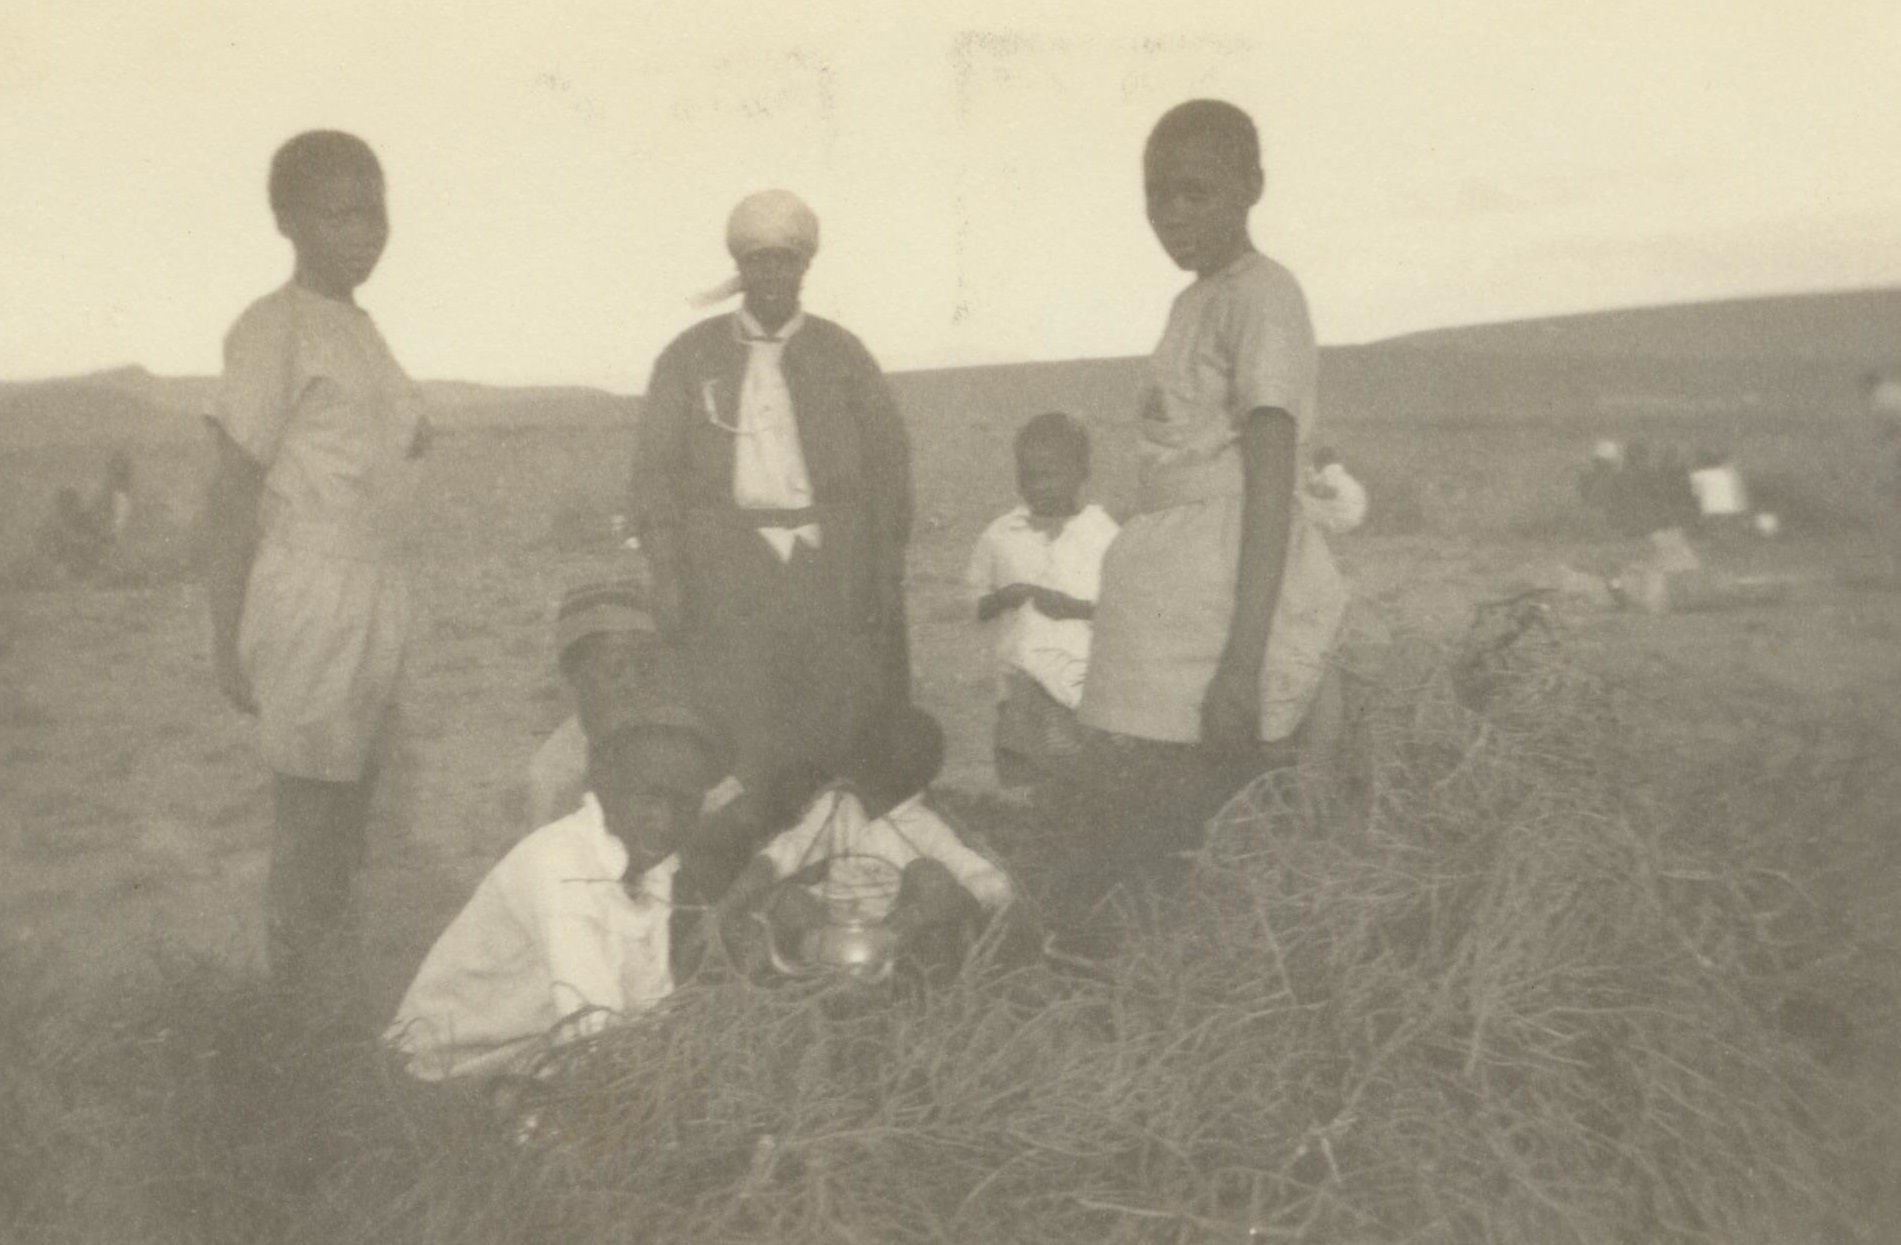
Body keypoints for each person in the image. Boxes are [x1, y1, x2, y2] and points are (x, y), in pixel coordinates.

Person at [1054, 100, 1348, 945]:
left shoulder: (1265, 296)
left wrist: (1241, 664)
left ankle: (1200, 963)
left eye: (1196, 192)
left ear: (1251, 186)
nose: (1172, 214)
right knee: (1139, 794)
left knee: (1210, 797)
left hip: (1223, 587)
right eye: (1157, 195)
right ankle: (1138, 954)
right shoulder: (1195, 301)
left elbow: (1270, 476)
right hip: (1171, 584)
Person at [201, 130, 429, 990]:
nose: (364, 232)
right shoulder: (273, 329)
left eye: (374, 211)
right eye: (339, 215)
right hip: (310, 594)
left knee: (349, 818)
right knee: (310, 819)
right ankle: (298, 1020)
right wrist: (226, 637)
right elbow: (231, 493)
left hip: (374, 589)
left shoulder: (361, 330)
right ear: (287, 221)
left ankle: (327, 997)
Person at [629, 189, 913, 802]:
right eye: (759, 262)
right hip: (726, 566)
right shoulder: (689, 357)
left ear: (805, 267)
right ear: (741, 269)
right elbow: (655, 473)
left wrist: (882, 568)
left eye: (787, 261)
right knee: (736, 719)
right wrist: (669, 572)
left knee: (835, 715)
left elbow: (890, 469)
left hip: (830, 561)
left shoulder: (843, 355)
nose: (774, 276)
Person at [384, 707, 738, 1082]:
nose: (664, 822)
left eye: (684, 804)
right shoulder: (561, 863)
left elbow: (649, 1007)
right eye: (648, 798)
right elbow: (592, 1032)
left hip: (528, 1058)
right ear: (605, 786)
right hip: (436, 1074)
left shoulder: (652, 870)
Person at [713, 705, 1015, 981]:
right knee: (789, 899)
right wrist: (726, 907)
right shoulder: (838, 807)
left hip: (897, 940)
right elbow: (785, 852)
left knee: (928, 873)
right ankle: (810, 975)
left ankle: (917, 985)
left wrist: (920, 915)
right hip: (830, 932)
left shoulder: (924, 826)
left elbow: (995, 882)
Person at [964, 412, 1119, 789]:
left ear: (1082, 472)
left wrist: (1074, 608)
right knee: (1020, 779)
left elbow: (1124, 614)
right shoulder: (1001, 534)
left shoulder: (1104, 535)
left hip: (1081, 692)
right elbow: (974, 604)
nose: (1038, 487)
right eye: (1028, 476)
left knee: (1077, 782)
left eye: (1050, 475)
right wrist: (1005, 596)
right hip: (1017, 688)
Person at [523, 578, 690, 833]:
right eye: (615, 670)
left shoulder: (680, 740)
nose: (632, 683)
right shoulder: (555, 775)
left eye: (644, 668)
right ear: (575, 677)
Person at [1301, 446, 1368, 535]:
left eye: (1315, 462)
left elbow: (1330, 492)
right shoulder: (1340, 473)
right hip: (1354, 515)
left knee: (1301, 504)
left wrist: (1310, 486)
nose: (1313, 465)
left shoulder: (1331, 470)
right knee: (1304, 503)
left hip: (1343, 515)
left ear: (1320, 462)